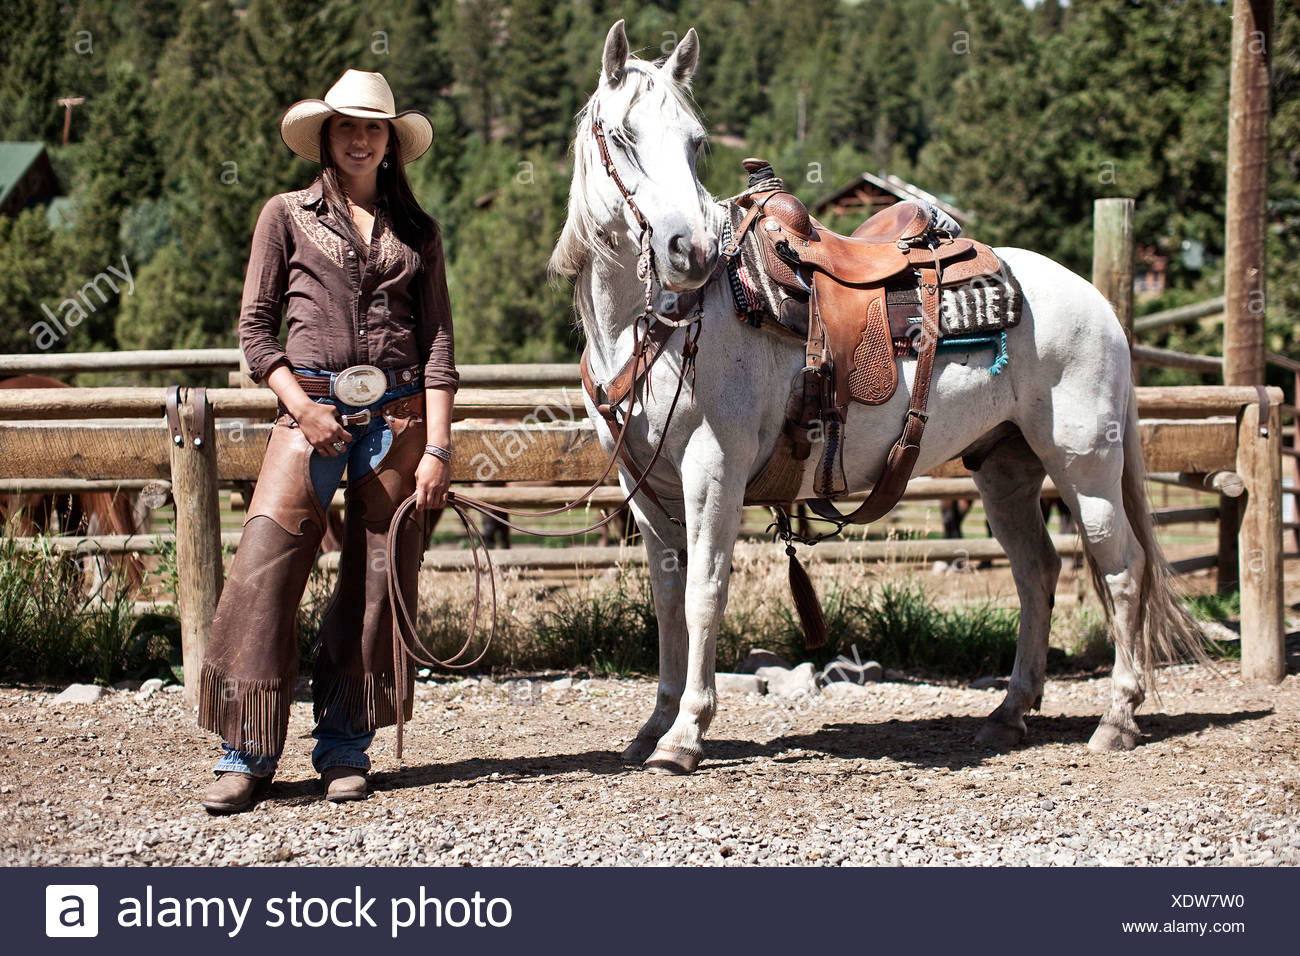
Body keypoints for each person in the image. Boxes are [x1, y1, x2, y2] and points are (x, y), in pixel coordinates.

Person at [197, 70, 457, 813]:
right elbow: (255, 333)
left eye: (374, 127)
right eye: (347, 126)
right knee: (264, 568)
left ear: (390, 143)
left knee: (378, 581)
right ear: (325, 136)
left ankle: (345, 749)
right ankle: (246, 752)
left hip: (400, 422)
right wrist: (304, 411)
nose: (360, 137)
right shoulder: (283, 215)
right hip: (307, 412)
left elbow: (438, 347)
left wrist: (437, 449)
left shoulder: (420, 233)